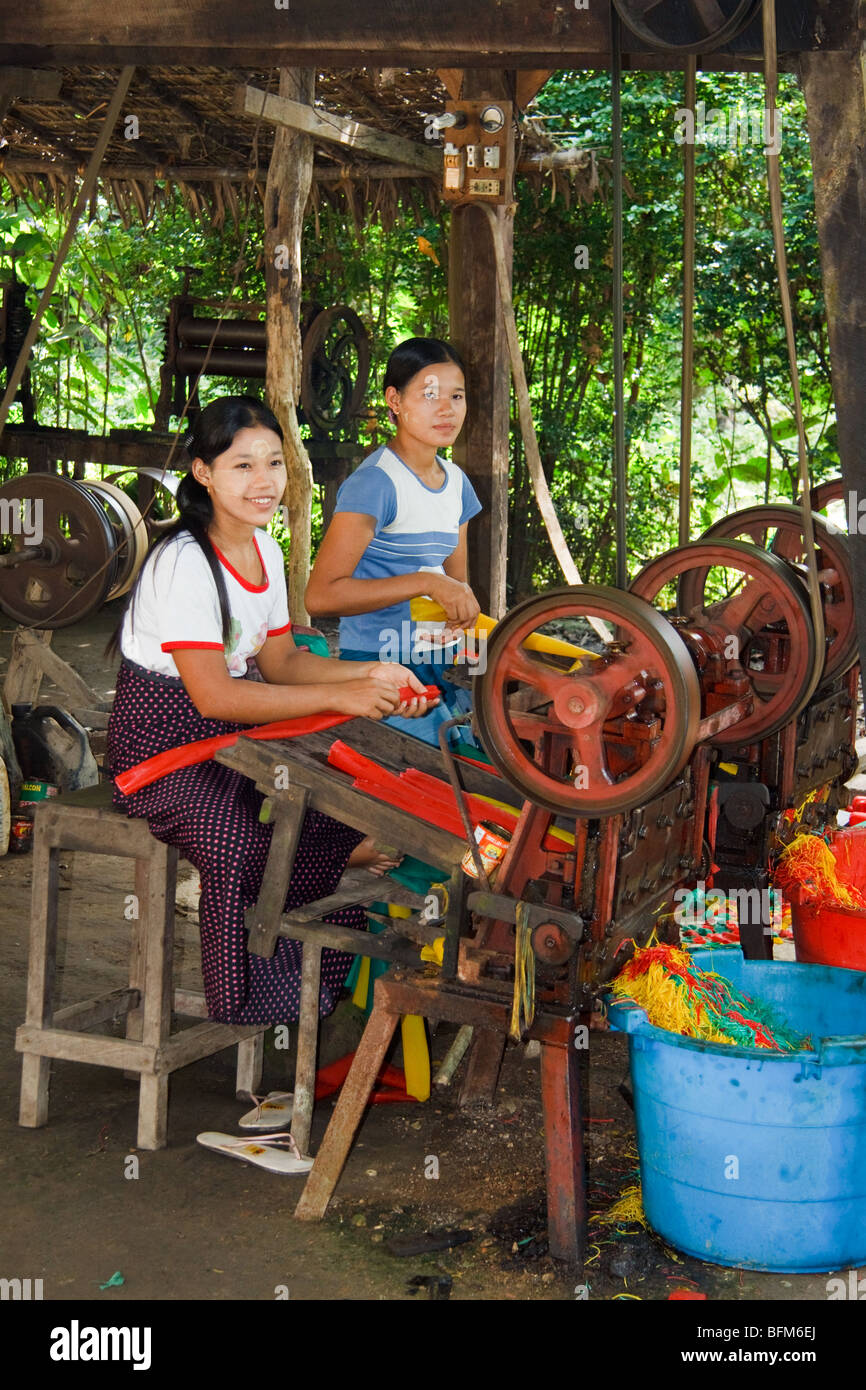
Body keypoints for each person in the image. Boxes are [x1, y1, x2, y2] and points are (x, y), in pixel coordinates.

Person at [106, 395, 432, 1026]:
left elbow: (281, 663)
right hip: (158, 750)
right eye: (242, 466)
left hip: (231, 737)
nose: (264, 483)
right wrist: (342, 695)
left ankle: (308, 984)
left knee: (332, 801)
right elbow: (216, 695)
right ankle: (249, 999)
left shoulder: (264, 552)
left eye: (275, 464)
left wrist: (371, 673)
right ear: (203, 473)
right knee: (237, 838)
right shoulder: (185, 563)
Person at [305, 337, 482, 744]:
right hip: (376, 666)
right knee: (453, 767)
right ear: (395, 400)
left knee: (497, 752)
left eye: (457, 396)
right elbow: (320, 598)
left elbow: (457, 593)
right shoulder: (376, 484)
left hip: (440, 664)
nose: (447, 409)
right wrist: (425, 582)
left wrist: (470, 655)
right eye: (430, 395)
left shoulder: (457, 485)